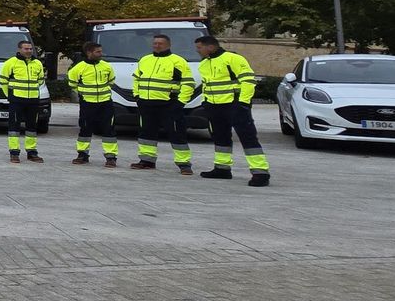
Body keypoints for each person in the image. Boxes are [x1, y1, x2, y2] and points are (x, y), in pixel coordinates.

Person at [195, 35, 270, 187]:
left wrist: (243, 103)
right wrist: (206, 103)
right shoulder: (204, 64)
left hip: (234, 105)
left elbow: (248, 81)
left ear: (210, 46)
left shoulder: (233, 59)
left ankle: (260, 172)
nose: (198, 51)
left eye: (199, 47)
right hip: (214, 107)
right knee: (220, 138)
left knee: (247, 137)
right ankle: (222, 168)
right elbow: (208, 86)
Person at [131, 34, 195, 174]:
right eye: (155, 43)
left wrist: (180, 102)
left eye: (160, 43)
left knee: (177, 133)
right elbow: (136, 79)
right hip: (146, 103)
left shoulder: (178, 61)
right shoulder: (145, 60)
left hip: (169, 104)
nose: (157, 46)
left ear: (168, 45)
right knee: (146, 133)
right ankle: (147, 160)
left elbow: (188, 83)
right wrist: (137, 96)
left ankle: (184, 164)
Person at [66, 42, 118, 166]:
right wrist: (84, 94)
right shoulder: (78, 68)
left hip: (105, 103)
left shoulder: (106, 66)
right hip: (87, 104)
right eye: (98, 52)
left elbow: (111, 81)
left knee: (109, 130)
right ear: (89, 53)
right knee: (85, 129)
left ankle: (111, 157)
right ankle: (82, 155)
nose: (101, 54)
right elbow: (72, 84)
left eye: (101, 51)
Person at [0, 40, 46, 164]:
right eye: (26, 49)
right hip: (17, 100)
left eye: (30, 49)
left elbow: (41, 80)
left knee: (32, 127)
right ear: (19, 49)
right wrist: (9, 95)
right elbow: (3, 81)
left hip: (33, 100)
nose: (29, 51)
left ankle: (32, 152)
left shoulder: (37, 63)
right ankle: (14, 153)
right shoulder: (11, 63)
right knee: (14, 127)